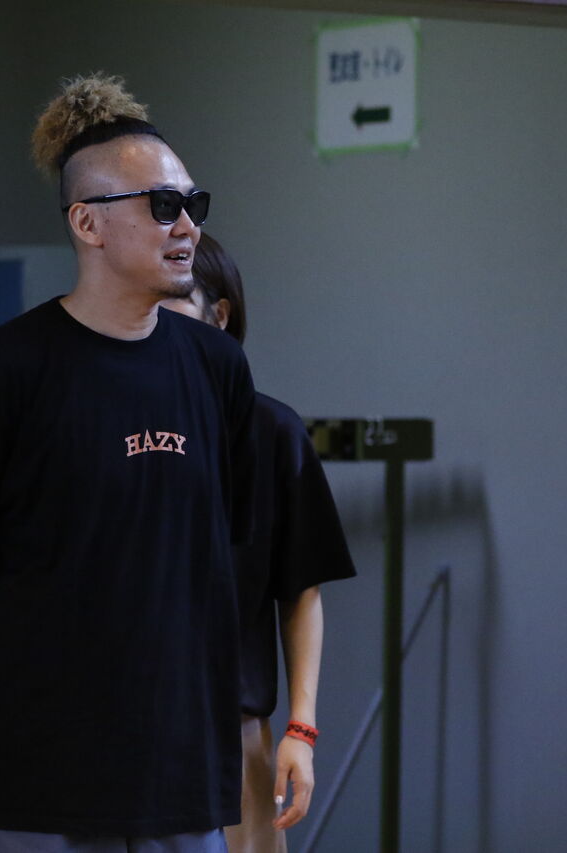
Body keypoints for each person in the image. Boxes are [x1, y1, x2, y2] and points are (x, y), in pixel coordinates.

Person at [0, 74, 256, 853]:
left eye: (193, 205)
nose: (187, 228)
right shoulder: (1, 371)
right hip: (39, 785)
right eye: (162, 206)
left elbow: (223, 546)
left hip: (181, 778)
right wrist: (21, 679)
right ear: (88, 223)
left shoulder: (216, 367)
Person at [160, 234, 356, 853]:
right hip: (119, 726)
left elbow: (300, 592)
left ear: (218, 315)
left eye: (171, 304)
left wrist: (302, 727)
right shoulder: (103, 423)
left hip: (235, 727)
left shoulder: (272, 431)